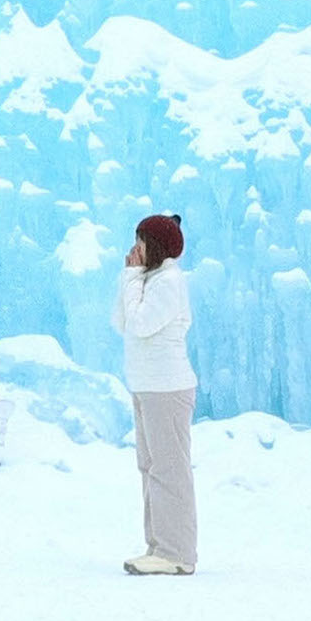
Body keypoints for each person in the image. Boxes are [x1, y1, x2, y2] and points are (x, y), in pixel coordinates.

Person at [114, 211, 196, 575]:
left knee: (169, 470)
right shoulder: (149, 280)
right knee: (151, 468)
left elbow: (141, 324)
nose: (135, 248)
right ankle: (159, 546)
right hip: (147, 386)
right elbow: (122, 321)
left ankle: (176, 553)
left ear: (157, 246)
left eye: (141, 241)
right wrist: (130, 277)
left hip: (167, 387)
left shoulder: (169, 282)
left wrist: (133, 279)